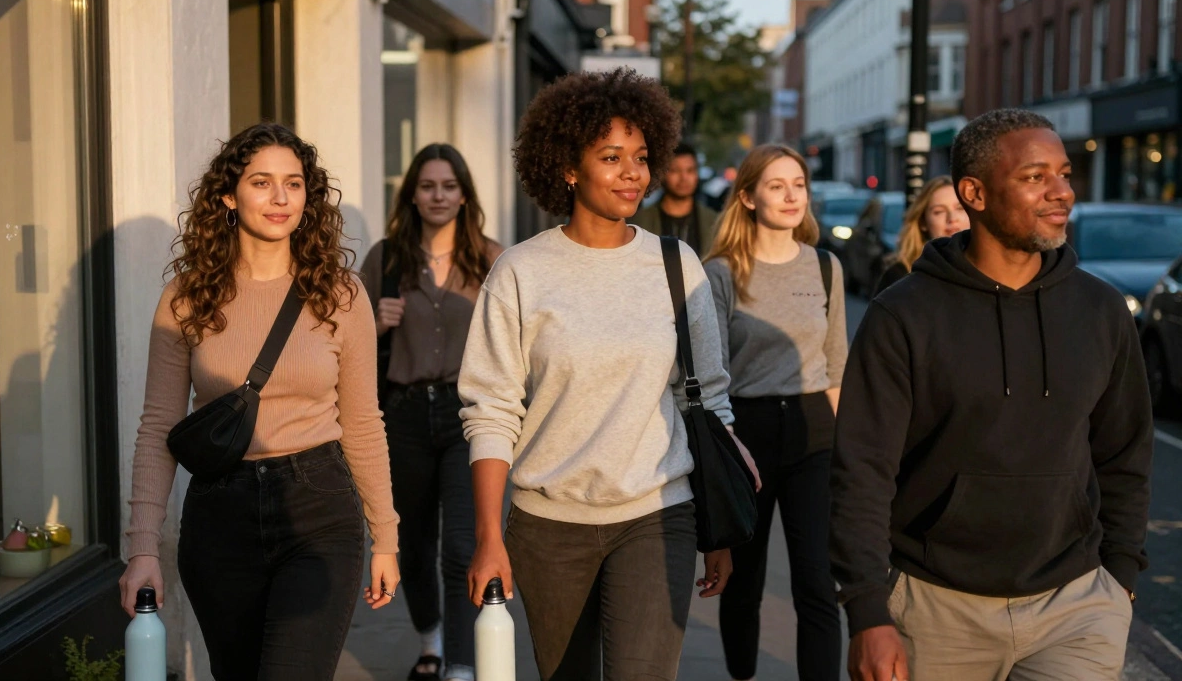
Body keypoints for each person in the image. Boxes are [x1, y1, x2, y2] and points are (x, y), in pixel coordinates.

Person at [831, 109, 1153, 681]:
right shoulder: (902, 315)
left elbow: (1125, 450)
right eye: (1035, 177)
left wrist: (1120, 573)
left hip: (1075, 607)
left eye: (1064, 173)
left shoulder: (1101, 311)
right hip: (936, 608)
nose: (1061, 193)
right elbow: (862, 470)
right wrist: (867, 612)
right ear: (974, 193)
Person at [460, 69, 754, 680]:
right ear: (568, 167)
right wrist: (490, 536)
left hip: (658, 512)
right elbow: (490, 410)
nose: (633, 173)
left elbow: (708, 397)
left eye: (642, 157)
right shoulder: (521, 272)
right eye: (611, 157)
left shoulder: (677, 265)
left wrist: (718, 523)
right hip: (547, 526)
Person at [118, 123, 401, 680]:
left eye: (293, 184)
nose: (279, 198)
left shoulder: (341, 294)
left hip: (318, 508)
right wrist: (143, 548)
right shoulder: (187, 296)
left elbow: (364, 422)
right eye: (262, 182)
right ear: (228, 195)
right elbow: (159, 428)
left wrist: (386, 536)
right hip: (220, 516)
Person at [704, 144, 846, 681]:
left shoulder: (827, 267)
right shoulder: (719, 273)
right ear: (747, 197)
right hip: (745, 434)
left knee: (816, 581)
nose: (791, 196)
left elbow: (836, 369)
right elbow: (711, 372)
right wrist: (721, 453)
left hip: (814, 431)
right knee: (743, 581)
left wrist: (849, 457)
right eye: (776, 185)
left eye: (799, 185)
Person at [361, 144, 502, 681]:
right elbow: (344, 342)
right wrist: (374, 322)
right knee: (412, 545)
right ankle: (432, 641)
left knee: (464, 545)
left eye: (448, 186)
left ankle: (462, 666)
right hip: (403, 417)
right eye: (427, 186)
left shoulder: (492, 258)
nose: (438, 195)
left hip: (472, 417)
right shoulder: (386, 258)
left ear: (464, 194)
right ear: (412, 195)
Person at [873, 176, 969, 295]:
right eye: (939, 211)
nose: (952, 218)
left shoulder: (989, 270)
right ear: (923, 222)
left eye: (960, 208)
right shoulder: (900, 274)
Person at [631, 143, 720, 255]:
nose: (683, 178)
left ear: (697, 174)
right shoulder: (640, 222)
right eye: (675, 170)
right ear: (662, 174)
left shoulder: (714, 222)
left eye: (690, 170)